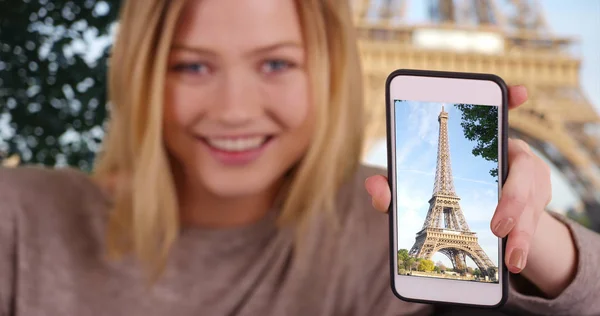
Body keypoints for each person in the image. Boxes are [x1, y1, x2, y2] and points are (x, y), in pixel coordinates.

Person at [1, 0, 599, 315]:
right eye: (193, 65)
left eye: (275, 64)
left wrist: (532, 233)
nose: (234, 109)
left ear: (330, 70)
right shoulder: (21, 222)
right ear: (142, 71)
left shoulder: (380, 227)